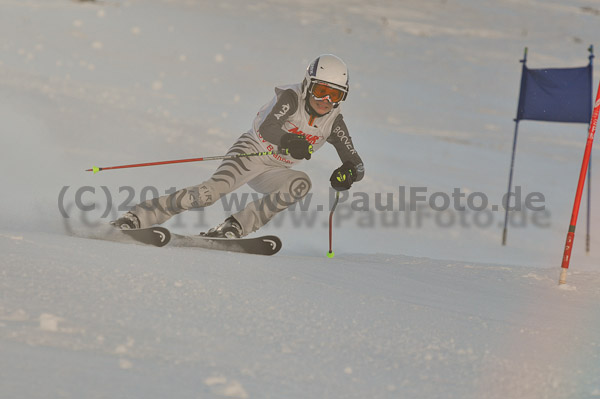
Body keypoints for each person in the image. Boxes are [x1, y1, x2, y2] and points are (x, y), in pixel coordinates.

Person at [111, 54, 365, 238]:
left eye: (335, 95)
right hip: (251, 152)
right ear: (308, 85)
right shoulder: (291, 98)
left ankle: (235, 227)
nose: (325, 100)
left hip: (276, 170)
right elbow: (268, 128)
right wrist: (290, 141)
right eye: (321, 90)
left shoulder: (334, 122)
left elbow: (356, 162)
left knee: (300, 183)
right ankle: (137, 217)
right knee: (207, 195)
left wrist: (349, 173)